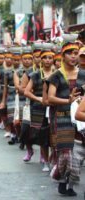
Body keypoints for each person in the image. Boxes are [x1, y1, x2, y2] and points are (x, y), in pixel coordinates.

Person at [48, 34, 83, 196]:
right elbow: (50, 98)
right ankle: (61, 178)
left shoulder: (83, 74)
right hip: (61, 117)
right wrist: (67, 100)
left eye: (76, 53)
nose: (74, 56)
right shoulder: (55, 76)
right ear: (63, 56)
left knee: (76, 154)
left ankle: (70, 184)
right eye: (70, 53)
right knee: (66, 153)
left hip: (80, 119)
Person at [24, 43, 54, 172]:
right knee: (43, 136)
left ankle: (54, 160)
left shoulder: (57, 74)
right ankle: (46, 161)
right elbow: (26, 91)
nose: (48, 60)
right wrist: (38, 98)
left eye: (50, 58)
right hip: (38, 108)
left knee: (54, 135)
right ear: (41, 59)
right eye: (45, 57)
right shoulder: (36, 75)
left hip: (53, 108)